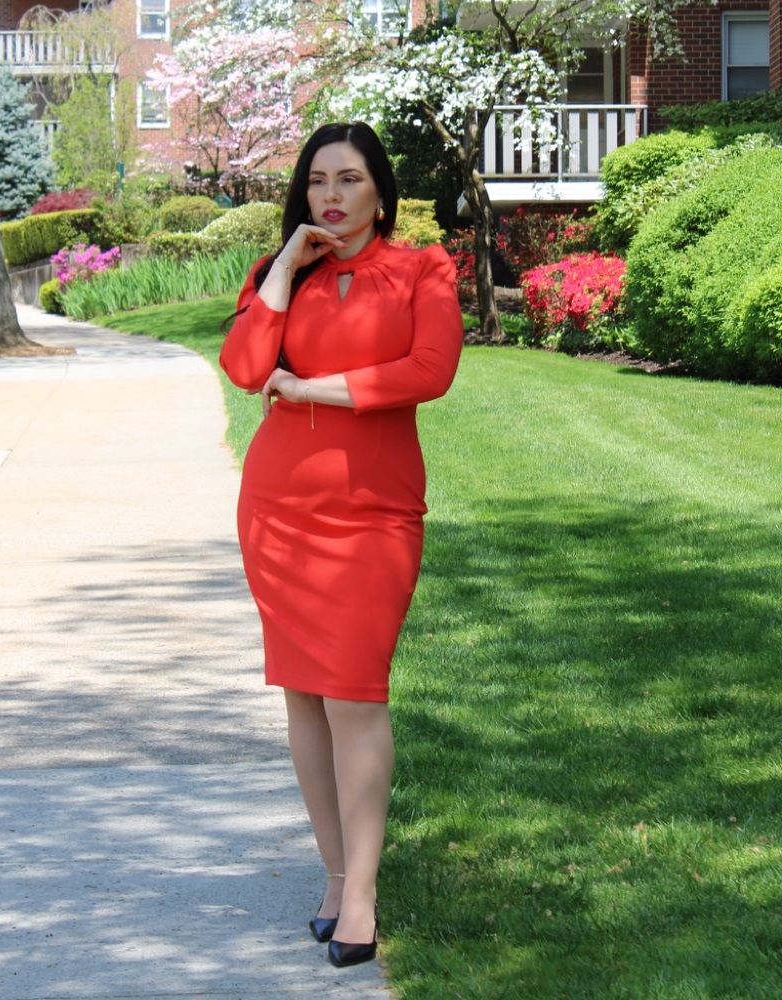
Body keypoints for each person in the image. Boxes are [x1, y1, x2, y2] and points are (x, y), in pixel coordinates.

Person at [219, 122, 463, 968]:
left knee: (356, 694)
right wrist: (285, 267)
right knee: (303, 696)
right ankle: (333, 872)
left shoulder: (422, 269)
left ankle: (362, 890)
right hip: (279, 510)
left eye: (350, 178)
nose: (332, 193)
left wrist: (314, 387)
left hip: (372, 514)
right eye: (318, 178)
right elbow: (247, 367)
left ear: (380, 193)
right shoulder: (280, 275)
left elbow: (430, 370)